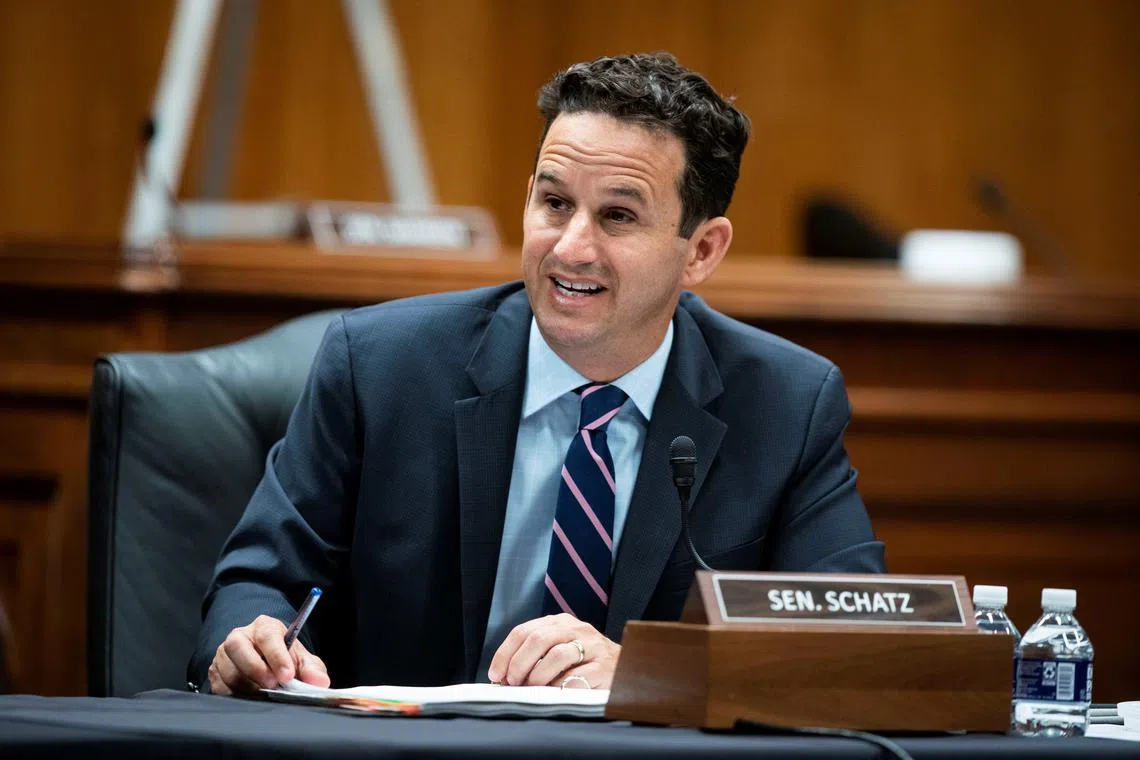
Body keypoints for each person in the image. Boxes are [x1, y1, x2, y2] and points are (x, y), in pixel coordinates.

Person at [192, 52, 885, 697]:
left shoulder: (786, 405)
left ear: (701, 250)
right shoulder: (380, 368)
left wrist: (651, 670)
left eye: (617, 215)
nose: (571, 248)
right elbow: (257, 580)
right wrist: (250, 638)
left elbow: (857, 647)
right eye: (554, 204)